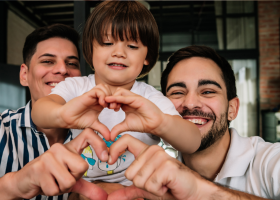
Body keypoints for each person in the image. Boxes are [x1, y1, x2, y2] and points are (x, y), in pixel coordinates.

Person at [32, 0, 200, 189]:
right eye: (107, 42)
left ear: (147, 57)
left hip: (138, 190)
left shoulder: (150, 98)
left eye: (132, 46)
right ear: (91, 48)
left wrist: (161, 122)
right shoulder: (76, 87)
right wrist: (62, 114)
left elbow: (192, 142)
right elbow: (39, 112)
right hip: (83, 189)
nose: (119, 52)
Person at [107, 45, 280, 199]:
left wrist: (198, 190)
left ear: (232, 109)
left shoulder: (269, 161)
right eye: (177, 92)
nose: (190, 103)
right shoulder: (151, 175)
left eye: (207, 91)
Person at [0, 24, 109, 200]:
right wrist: (15, 183)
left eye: (72, 63)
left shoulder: (102, 136)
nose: (63, 70)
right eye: (48, 61)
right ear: (24, 75)